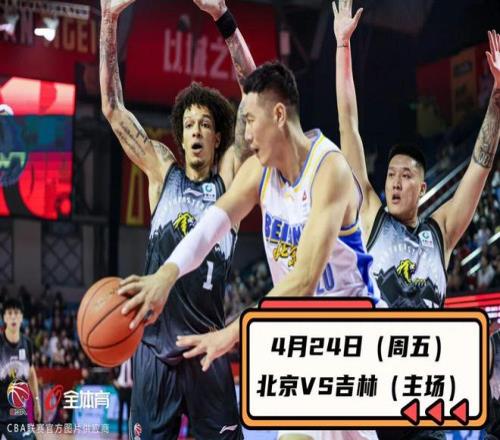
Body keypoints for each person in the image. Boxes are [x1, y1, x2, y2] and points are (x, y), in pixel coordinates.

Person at [119, 60, 381, 440]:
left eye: (250, 121)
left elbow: (304, 281)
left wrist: (231, 333)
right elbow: (209, 227)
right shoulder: (259, 172)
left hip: (353, 336)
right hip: (305, 337)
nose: (244, 134)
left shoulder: (330, 170)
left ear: (279, 116)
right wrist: (165, 275)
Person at [332, 1, 500, 437]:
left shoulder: (439, 232)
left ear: (422, 188)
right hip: (377, 397)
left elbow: (480, 165)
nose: (394, 182)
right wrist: (343, 47)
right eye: (390, 174)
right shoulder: (371, 216)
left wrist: (498, 99)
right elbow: (349, 127)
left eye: (405, 176)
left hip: (428, 402)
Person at [99, 0, 256, 438]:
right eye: (188, 125)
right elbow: (112, 108)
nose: (196, 131)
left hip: (207, 347)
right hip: (153, 352)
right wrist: (109, 20)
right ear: (180, 136)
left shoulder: (229, 180)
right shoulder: (161, 172)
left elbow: (258, 99)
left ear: (218, 136)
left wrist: (223, 18)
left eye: (205, 124)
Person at [0, 298, 40, 440]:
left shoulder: (27, 343)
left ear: (22, 317)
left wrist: (36, 401)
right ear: (4, 317)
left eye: (16, 313)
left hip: (18, 412)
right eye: (9, 313)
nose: (13, 317)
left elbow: (31, 373)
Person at [113, 358, 132, 439]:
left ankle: (129, 433)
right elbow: (112, 370)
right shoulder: (120, 360)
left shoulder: (133, 361)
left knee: (129, 414)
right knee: (120, 412)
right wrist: (114, 381)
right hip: (121, 388)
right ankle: (119, 433)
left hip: (130, 389)